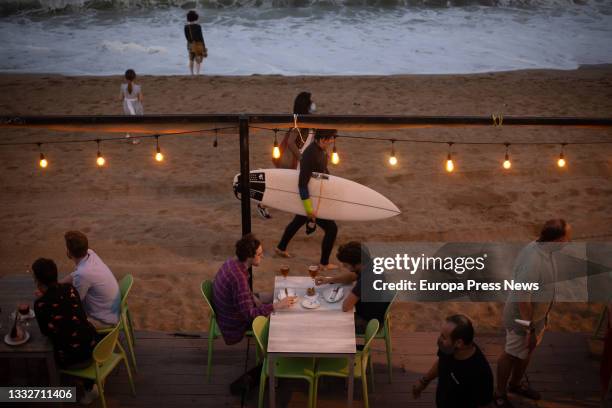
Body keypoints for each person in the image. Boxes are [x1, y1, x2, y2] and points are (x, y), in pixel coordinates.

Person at [494, 219, 572, 408]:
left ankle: (515, 384)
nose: (569, 241)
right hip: (521, 319)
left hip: (537, 318)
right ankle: (499, 393)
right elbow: (523, 299)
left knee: (527, 351)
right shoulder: (533, 261)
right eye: (567, 238)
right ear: (557, 241)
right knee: (510, 354)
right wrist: (529, 329)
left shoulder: (545, 249)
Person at [32, 258, 100, 405]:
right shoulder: (71, 289)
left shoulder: (40, 304)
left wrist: (43, 300)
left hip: (73, 360)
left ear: (37, 280)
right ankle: (90, 386)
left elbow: (45, 332)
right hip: (96, 348)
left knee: (46, 356)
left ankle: (53, 394)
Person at [213, 234, 295, 345]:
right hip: (234, 323)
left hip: (230, 309)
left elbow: (243, 294)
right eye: (260, 254)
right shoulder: (239, 279)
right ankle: (269, 355)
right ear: (249, 257)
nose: (262, 257)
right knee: (280, 317)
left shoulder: (232, 263)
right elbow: (250, 315)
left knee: (274, 296)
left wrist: (256, 299)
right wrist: (276, 306)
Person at [276, 129, 339, 269]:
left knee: (298, 220)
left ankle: (281, 247)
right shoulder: (310, 154)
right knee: (332, 228)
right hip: (310, 197)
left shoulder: (320, 150)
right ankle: (324, 263)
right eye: (330, 139)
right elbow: (302, 184)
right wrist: (309, 209)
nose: (332, 142)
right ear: (322, 139)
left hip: (315, 194)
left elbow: (322, 171)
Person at [412, 314, 494, 408]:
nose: (440, 339)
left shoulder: (480, 373)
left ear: (459, 343)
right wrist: (424, 381)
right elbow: (441, 363)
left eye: (443, 337)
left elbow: (485, 404)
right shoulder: (447, 348)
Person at [258, 91, 316, 219]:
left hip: (301, 160)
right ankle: (263, 204)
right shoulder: (299, 123)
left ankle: (264, 204)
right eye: (311, 102)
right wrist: (302, 158)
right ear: (306, 105)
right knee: (289, 186)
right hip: (297, 161)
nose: (313, 104)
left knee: (290, 185)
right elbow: (290, 142)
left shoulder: (307, 121)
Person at [315, 241, 389, 333]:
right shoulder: (369, 264)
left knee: (324, 322)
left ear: (357, 264)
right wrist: (329, 280)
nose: (343, 266)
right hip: (373, 310)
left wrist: (350, 293)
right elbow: (352, 276)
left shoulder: (367, 279)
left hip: (368, 322)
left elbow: (346, 307)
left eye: (346, 265)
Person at [59, 231, 120, 330]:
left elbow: (75, 302)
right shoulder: (90, 254)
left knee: (62, 318)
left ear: (69, 252)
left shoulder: (83, 274)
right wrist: (57, 284)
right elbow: (74, 275)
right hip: (111, 312)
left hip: (104, 321)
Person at [184, 10, 206, 75]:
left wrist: (190, 42)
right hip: (198, 44)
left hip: (190, 44)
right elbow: (201, 37)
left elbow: (186, 37)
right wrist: (203, 46)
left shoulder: (186, 27)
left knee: (191, 59)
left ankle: (191, 73)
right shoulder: (198, 26)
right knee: (198, 58)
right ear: (196, 17)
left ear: (188, 18)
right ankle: (198, 73)